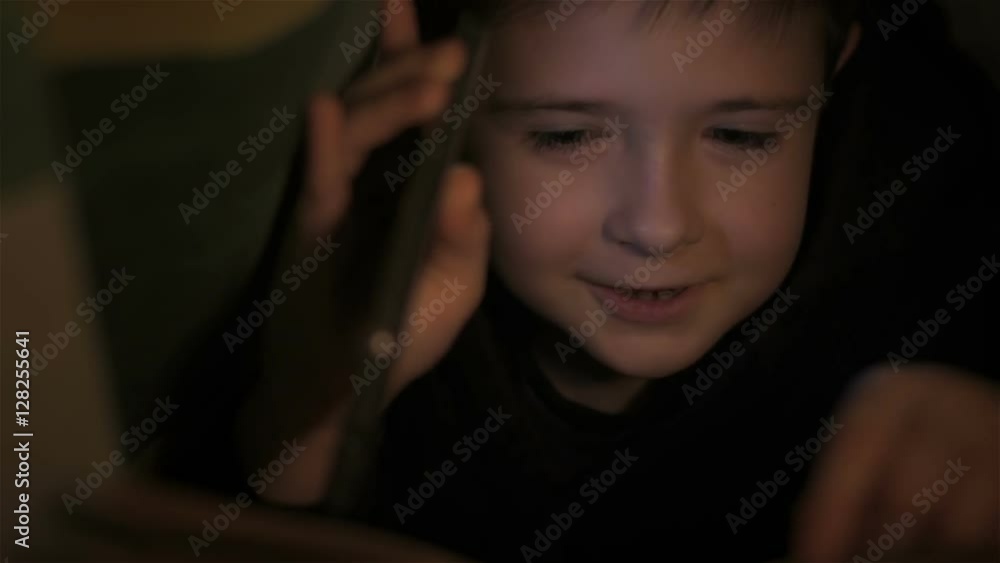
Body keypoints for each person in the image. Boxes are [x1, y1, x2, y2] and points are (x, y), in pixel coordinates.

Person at [229, 1, 998, 562]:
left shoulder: (924, 206)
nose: (659, 226)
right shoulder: (368, 300)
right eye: (565, 135)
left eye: (742, 135)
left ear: (832, 79)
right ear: (446, 108)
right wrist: (313, 410)